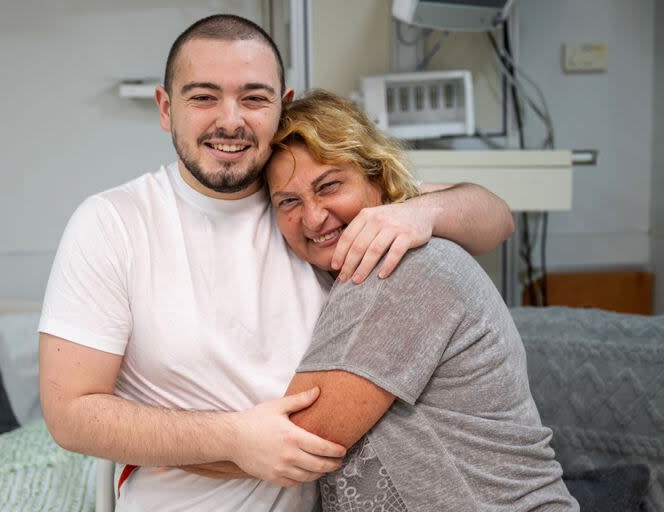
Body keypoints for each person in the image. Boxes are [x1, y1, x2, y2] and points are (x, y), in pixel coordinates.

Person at [37, 15, 515, 512]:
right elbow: (70, 412)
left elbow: (495, 216)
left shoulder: (314, 213)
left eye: (253, 98)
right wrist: (232, 439)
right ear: (166, 108)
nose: (230, 120)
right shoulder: (113, 223)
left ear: (281, 106)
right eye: (203, 97)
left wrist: (424, 210)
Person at [258, 89, 577, 510]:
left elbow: (300, 441)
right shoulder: (346, 254)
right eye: (289, 202)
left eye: (330, 185)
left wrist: (167, 449)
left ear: (376, 176)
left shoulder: (397, 264)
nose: (314, 217)